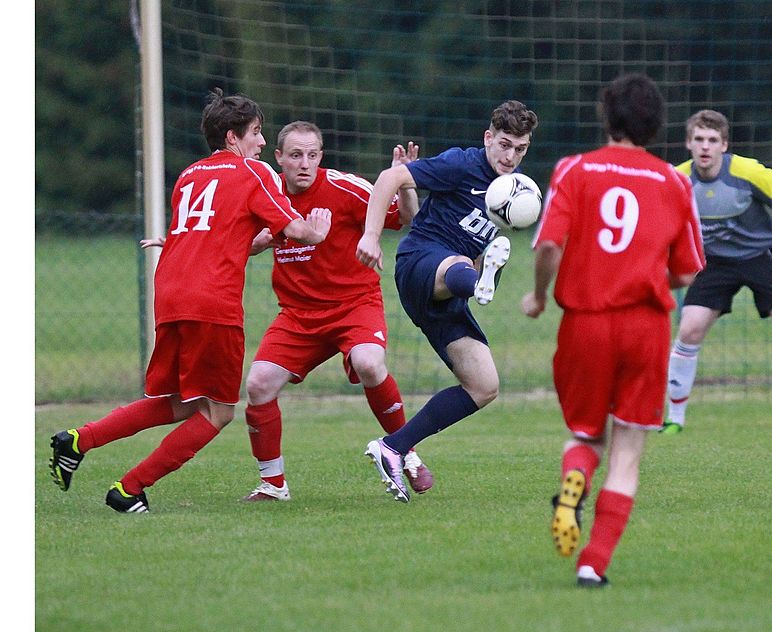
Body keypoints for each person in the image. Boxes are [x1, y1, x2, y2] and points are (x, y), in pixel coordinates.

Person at [48, 89, 330, 513]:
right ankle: (129, 489)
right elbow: (296, 230)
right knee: (219, 412)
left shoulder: (190, 174)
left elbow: (225, 235)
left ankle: (78, 440)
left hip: (172, 293)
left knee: (182, 402)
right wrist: (317, 229)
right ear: (234, 137)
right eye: (255, 132)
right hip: (211, 300)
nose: (260, 141)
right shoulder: (255, 173)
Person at [521, 73, 705, 587]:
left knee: (585, 433)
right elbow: (689, 271)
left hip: (585, 323)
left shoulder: (574, 170)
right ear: (656, 125)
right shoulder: (674, 182)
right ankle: (592, 566)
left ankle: (573, 480)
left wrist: (538, 296)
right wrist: (644, 270)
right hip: (645, 327)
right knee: (627, 451)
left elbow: (549, 246)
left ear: (607, 117)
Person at [240, 121, 434, 500]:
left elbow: (404, 217)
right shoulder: (267, 193)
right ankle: (273, 485)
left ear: (321, 157)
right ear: (278, 158)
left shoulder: (346, 188)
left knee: (369, 363)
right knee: (258, 384)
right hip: (298, 315)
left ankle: (405, 454)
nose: (304, 163)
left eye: (312, 155)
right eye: (295, 155)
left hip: (354, 305)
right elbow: (237, 242)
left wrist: (406, 182)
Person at [356, 100, 539, 503]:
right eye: (504, 144)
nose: (510, 156)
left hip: (451, 286)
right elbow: (389, 177)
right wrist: (371, 235)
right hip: (420, 263)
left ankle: (393, 447)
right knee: (459, 264)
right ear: (488, 138)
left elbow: (478, 247)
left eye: (520, 148)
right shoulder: (461, 164)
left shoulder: (516, 192)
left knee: (484, 385)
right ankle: (477, 283)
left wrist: (481, 270)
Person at [661, 109, 772, 434]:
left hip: (761, 255)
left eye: (712, 140)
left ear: (724, 145)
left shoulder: (750, 173)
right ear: (688, 143)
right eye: (699, 140)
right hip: (712, 262)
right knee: (689, 331)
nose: (705, 147)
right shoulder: (676, 180)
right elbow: (663, 226)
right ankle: (674, 419)